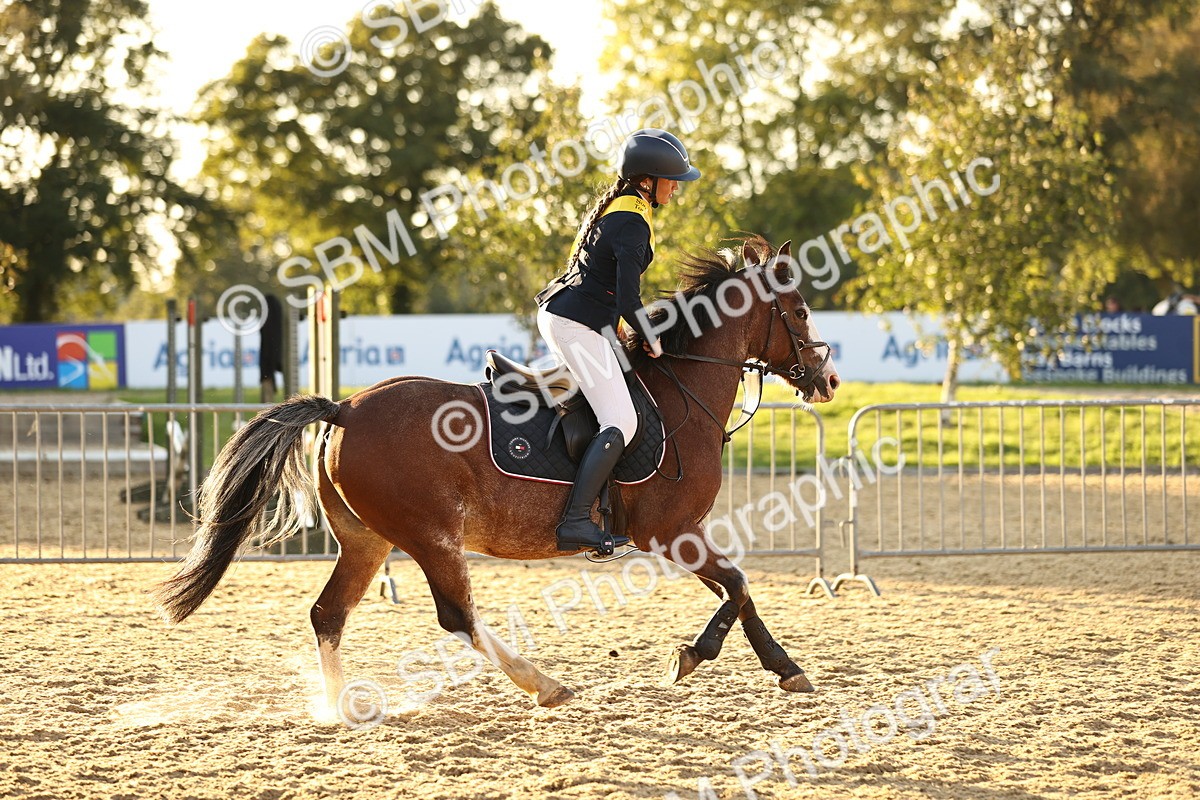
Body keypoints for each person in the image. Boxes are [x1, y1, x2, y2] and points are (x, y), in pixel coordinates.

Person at [534, 128, 701, 555]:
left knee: (619, 402)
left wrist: (625, 333)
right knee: (622, 422)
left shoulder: (621, 208)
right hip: (575, 323)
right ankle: (574, 522)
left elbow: (608, 290)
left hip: (574, 317)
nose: (676, 190)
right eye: (673, 181)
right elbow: (628, 296)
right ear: (649, 180)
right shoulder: (631, 220)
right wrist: (649, 337)